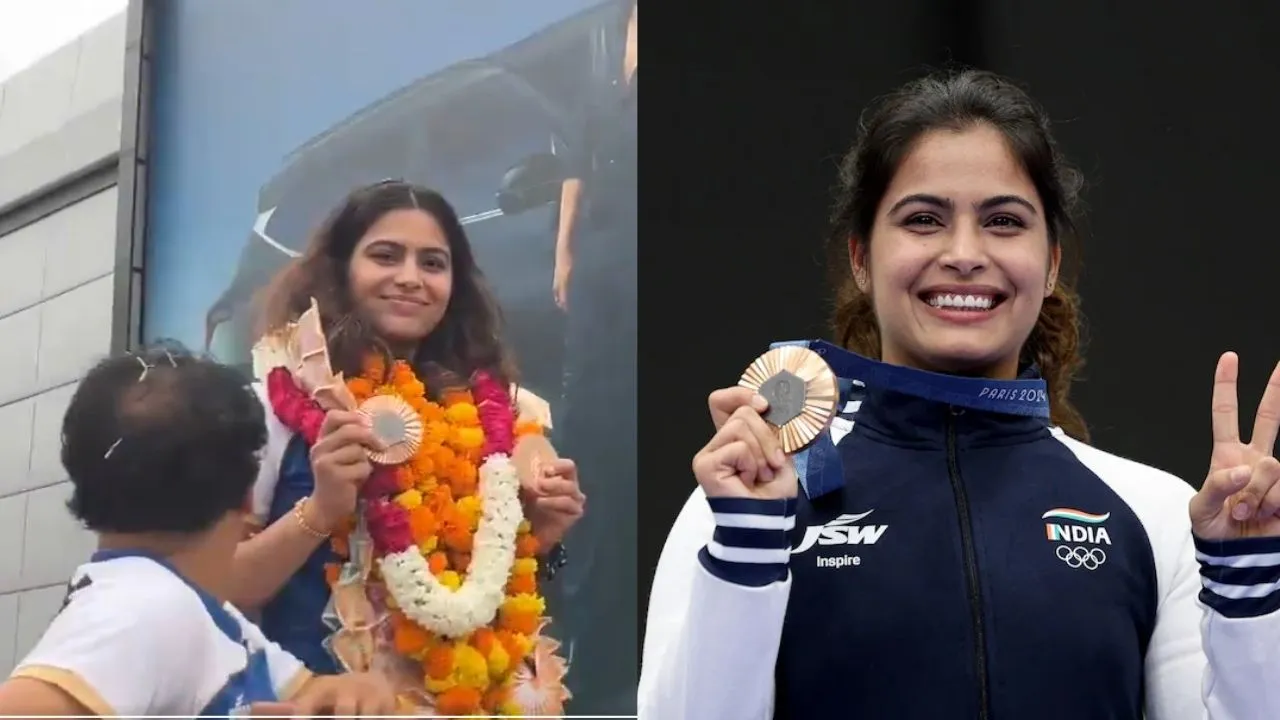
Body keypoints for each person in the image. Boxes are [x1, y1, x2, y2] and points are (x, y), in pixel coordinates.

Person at [639, 68, 1280, 719]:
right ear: (861, 258)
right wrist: (747, 543)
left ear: (1052, 261)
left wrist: (1248, 588)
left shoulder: (1158, 513)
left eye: (1004, 220)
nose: (965, 253)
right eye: (923, 219)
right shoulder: (756, 498)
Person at [230, 180, 585, 716]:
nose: (410, 279)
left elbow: (506, 602)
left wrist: (543, 539)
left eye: (433, 264)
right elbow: (221, 590)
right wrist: (321, 512)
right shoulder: (272, 410)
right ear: (340, 269)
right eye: (385, 256)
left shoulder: (495, 418)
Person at [0, 345, 396, 717]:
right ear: (246, 495)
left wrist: (355, 691)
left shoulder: (199, 608)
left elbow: (310, 693)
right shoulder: (141, 607)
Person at [551, 0, 638, 711]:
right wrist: (565, 254)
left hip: (648, 267)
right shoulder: (602, 60)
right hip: (601, 278)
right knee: (595, 449)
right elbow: (575, 168)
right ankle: (593, 656)